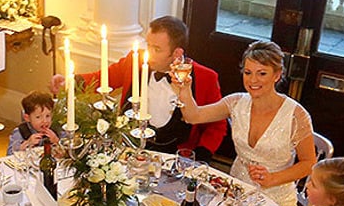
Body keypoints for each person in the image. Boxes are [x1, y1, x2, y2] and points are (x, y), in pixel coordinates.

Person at [50, 16, 226, 158]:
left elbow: (217, 126)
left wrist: (202, 155)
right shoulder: (134, 61)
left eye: (157, 49)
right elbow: (103, 78)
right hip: (129, 149)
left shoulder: (205, 78)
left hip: (174, 156)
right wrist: (70, 82)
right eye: (148, 45)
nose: (149, 54)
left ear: (177, 53)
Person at [182, 40, 317, 206]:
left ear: (277, 75)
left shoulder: (296, 115)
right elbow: (193, 116)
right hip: (235, 191)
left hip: (275, 200)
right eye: (248, 72)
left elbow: (309, 163)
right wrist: (184, 87)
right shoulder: (235, 102)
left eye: (262, 73)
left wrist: (273, 178)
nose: (253, 80)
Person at [6, 90, 59, 155]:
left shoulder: (56, 129)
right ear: (27, 118)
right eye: (38, 117)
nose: (45, 121)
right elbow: (9, 154)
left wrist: (56, 141)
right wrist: (27, 143)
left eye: (47, 116)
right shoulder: (20, 132)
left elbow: (67, 149)